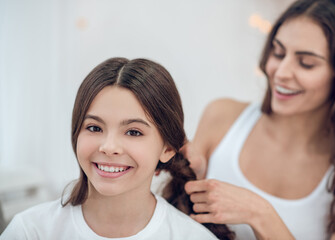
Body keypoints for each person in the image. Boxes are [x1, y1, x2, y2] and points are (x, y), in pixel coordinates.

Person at [1, 57, 234, 239]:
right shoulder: (30, 231)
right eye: (94, 128)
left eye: (133, 132)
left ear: (168, 148)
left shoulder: (191, 237)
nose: (109, 147)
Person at [183, 0, 335, 239]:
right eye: (278, 52)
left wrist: (260, 214)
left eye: (306, 63)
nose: (281, 72)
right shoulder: (222, 117)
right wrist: (188, 175)